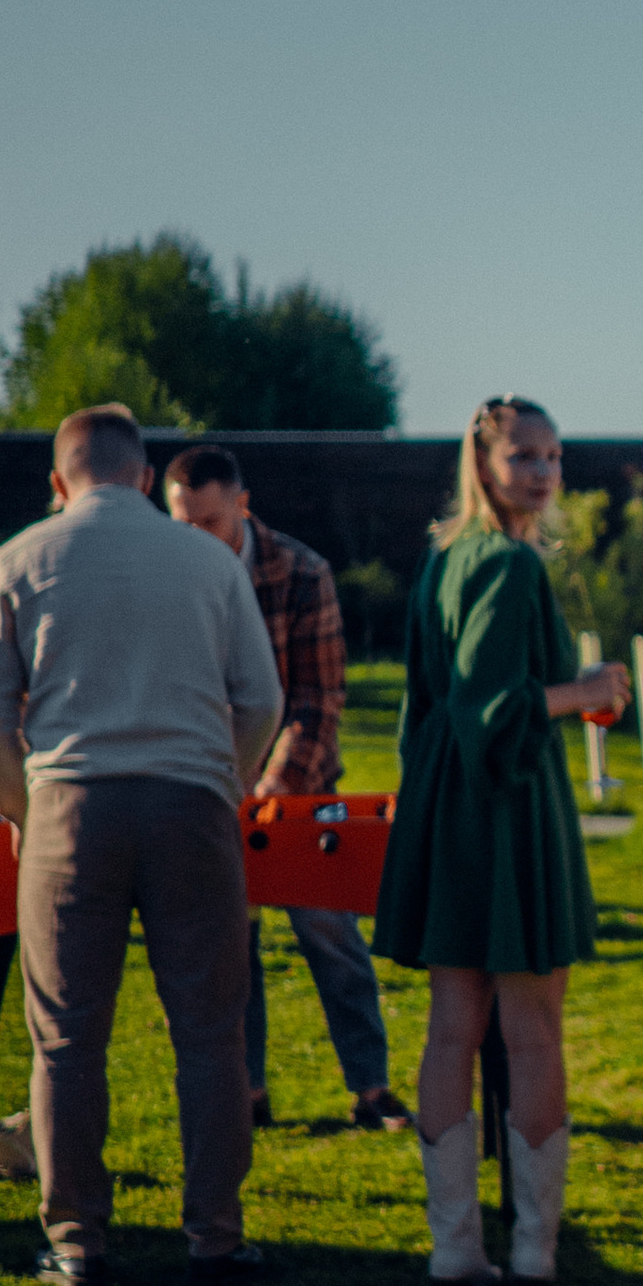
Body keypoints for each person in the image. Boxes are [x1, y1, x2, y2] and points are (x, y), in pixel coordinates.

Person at [0, 402, 281, 1286]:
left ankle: (76, 1240)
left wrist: (22, 807)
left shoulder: (19, 560)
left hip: (70, 804)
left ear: (57, 482)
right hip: (191, 803)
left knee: (66, 1039)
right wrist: (228, 780)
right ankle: (216, 1235)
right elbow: (261, 699)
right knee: (211, 1034)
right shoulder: (209, 561)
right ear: (146, 477)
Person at [372, 398, 630, 1286]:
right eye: (524, 455)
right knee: (530, 1029)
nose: (544, 472)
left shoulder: (446, 559)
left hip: (450, 804)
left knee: (453, 1026)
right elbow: (491, 711)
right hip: (508, 805)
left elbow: (433, 711)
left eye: (554, 456)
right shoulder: (507, 565)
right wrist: (586, 687)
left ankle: (456, 1250)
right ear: (481, 463)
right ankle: (532, 1250)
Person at [162, 440, 410, 1136]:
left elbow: (318, 702)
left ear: (242, 507)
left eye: (207, 522)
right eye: (179, 522)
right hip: (207, 786)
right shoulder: (166, 578)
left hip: (295, 793)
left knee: (331, 936)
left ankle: (371, 1085)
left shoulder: (301, 572)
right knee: (230, 945)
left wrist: (268, 794)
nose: (193, 538)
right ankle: (247, 1090)